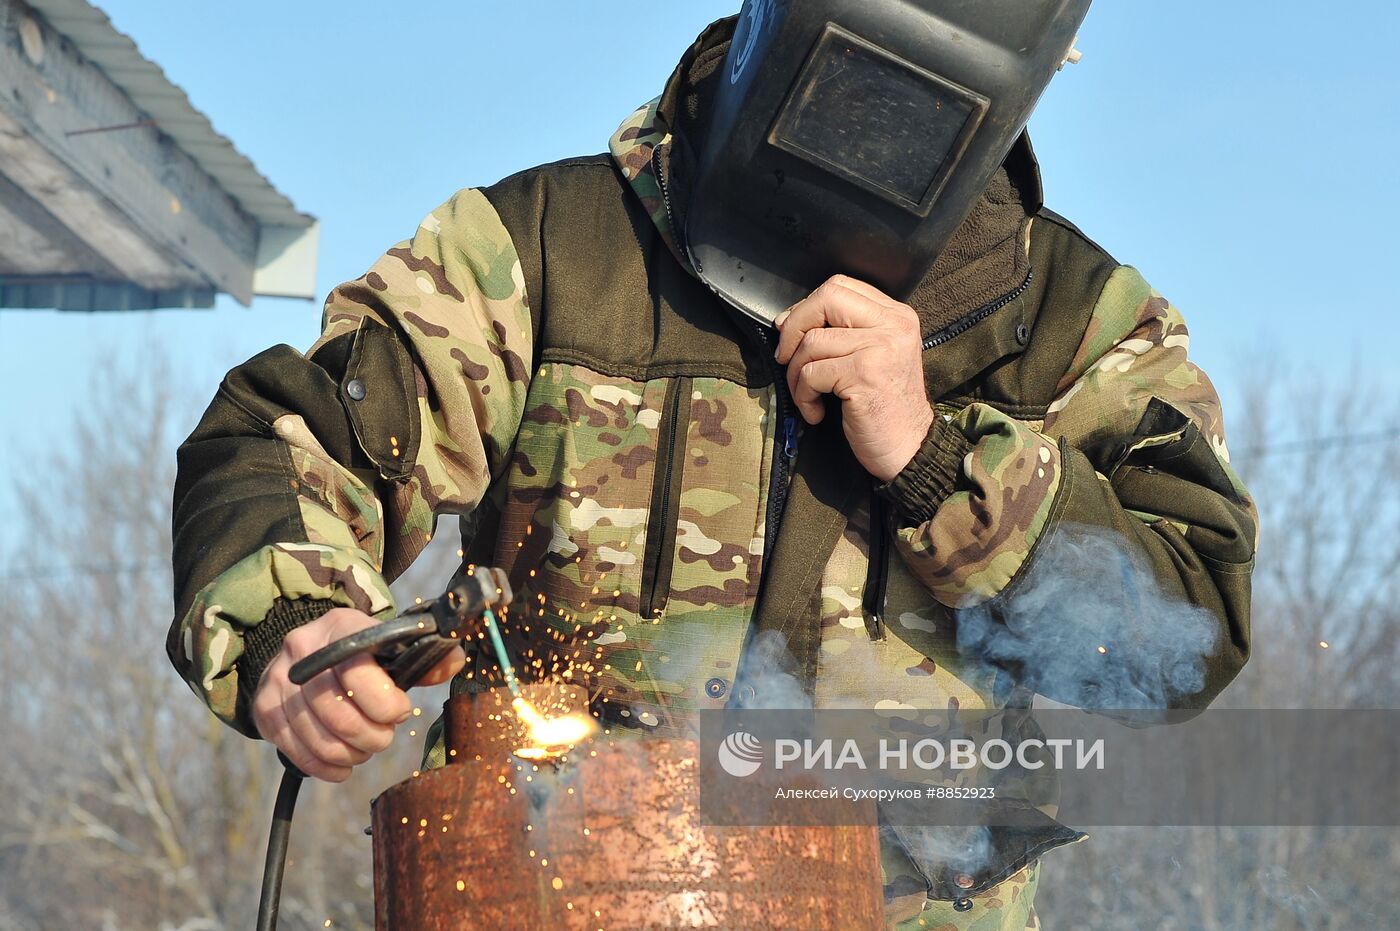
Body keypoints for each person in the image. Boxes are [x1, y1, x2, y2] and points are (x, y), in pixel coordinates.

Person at [168, 13, 1257, 929]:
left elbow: (1186, 632)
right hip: (542, 890)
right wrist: (291, 624)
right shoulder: (546, 246)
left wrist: (934, 459)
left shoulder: (1076, 326)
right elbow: (288, 437)